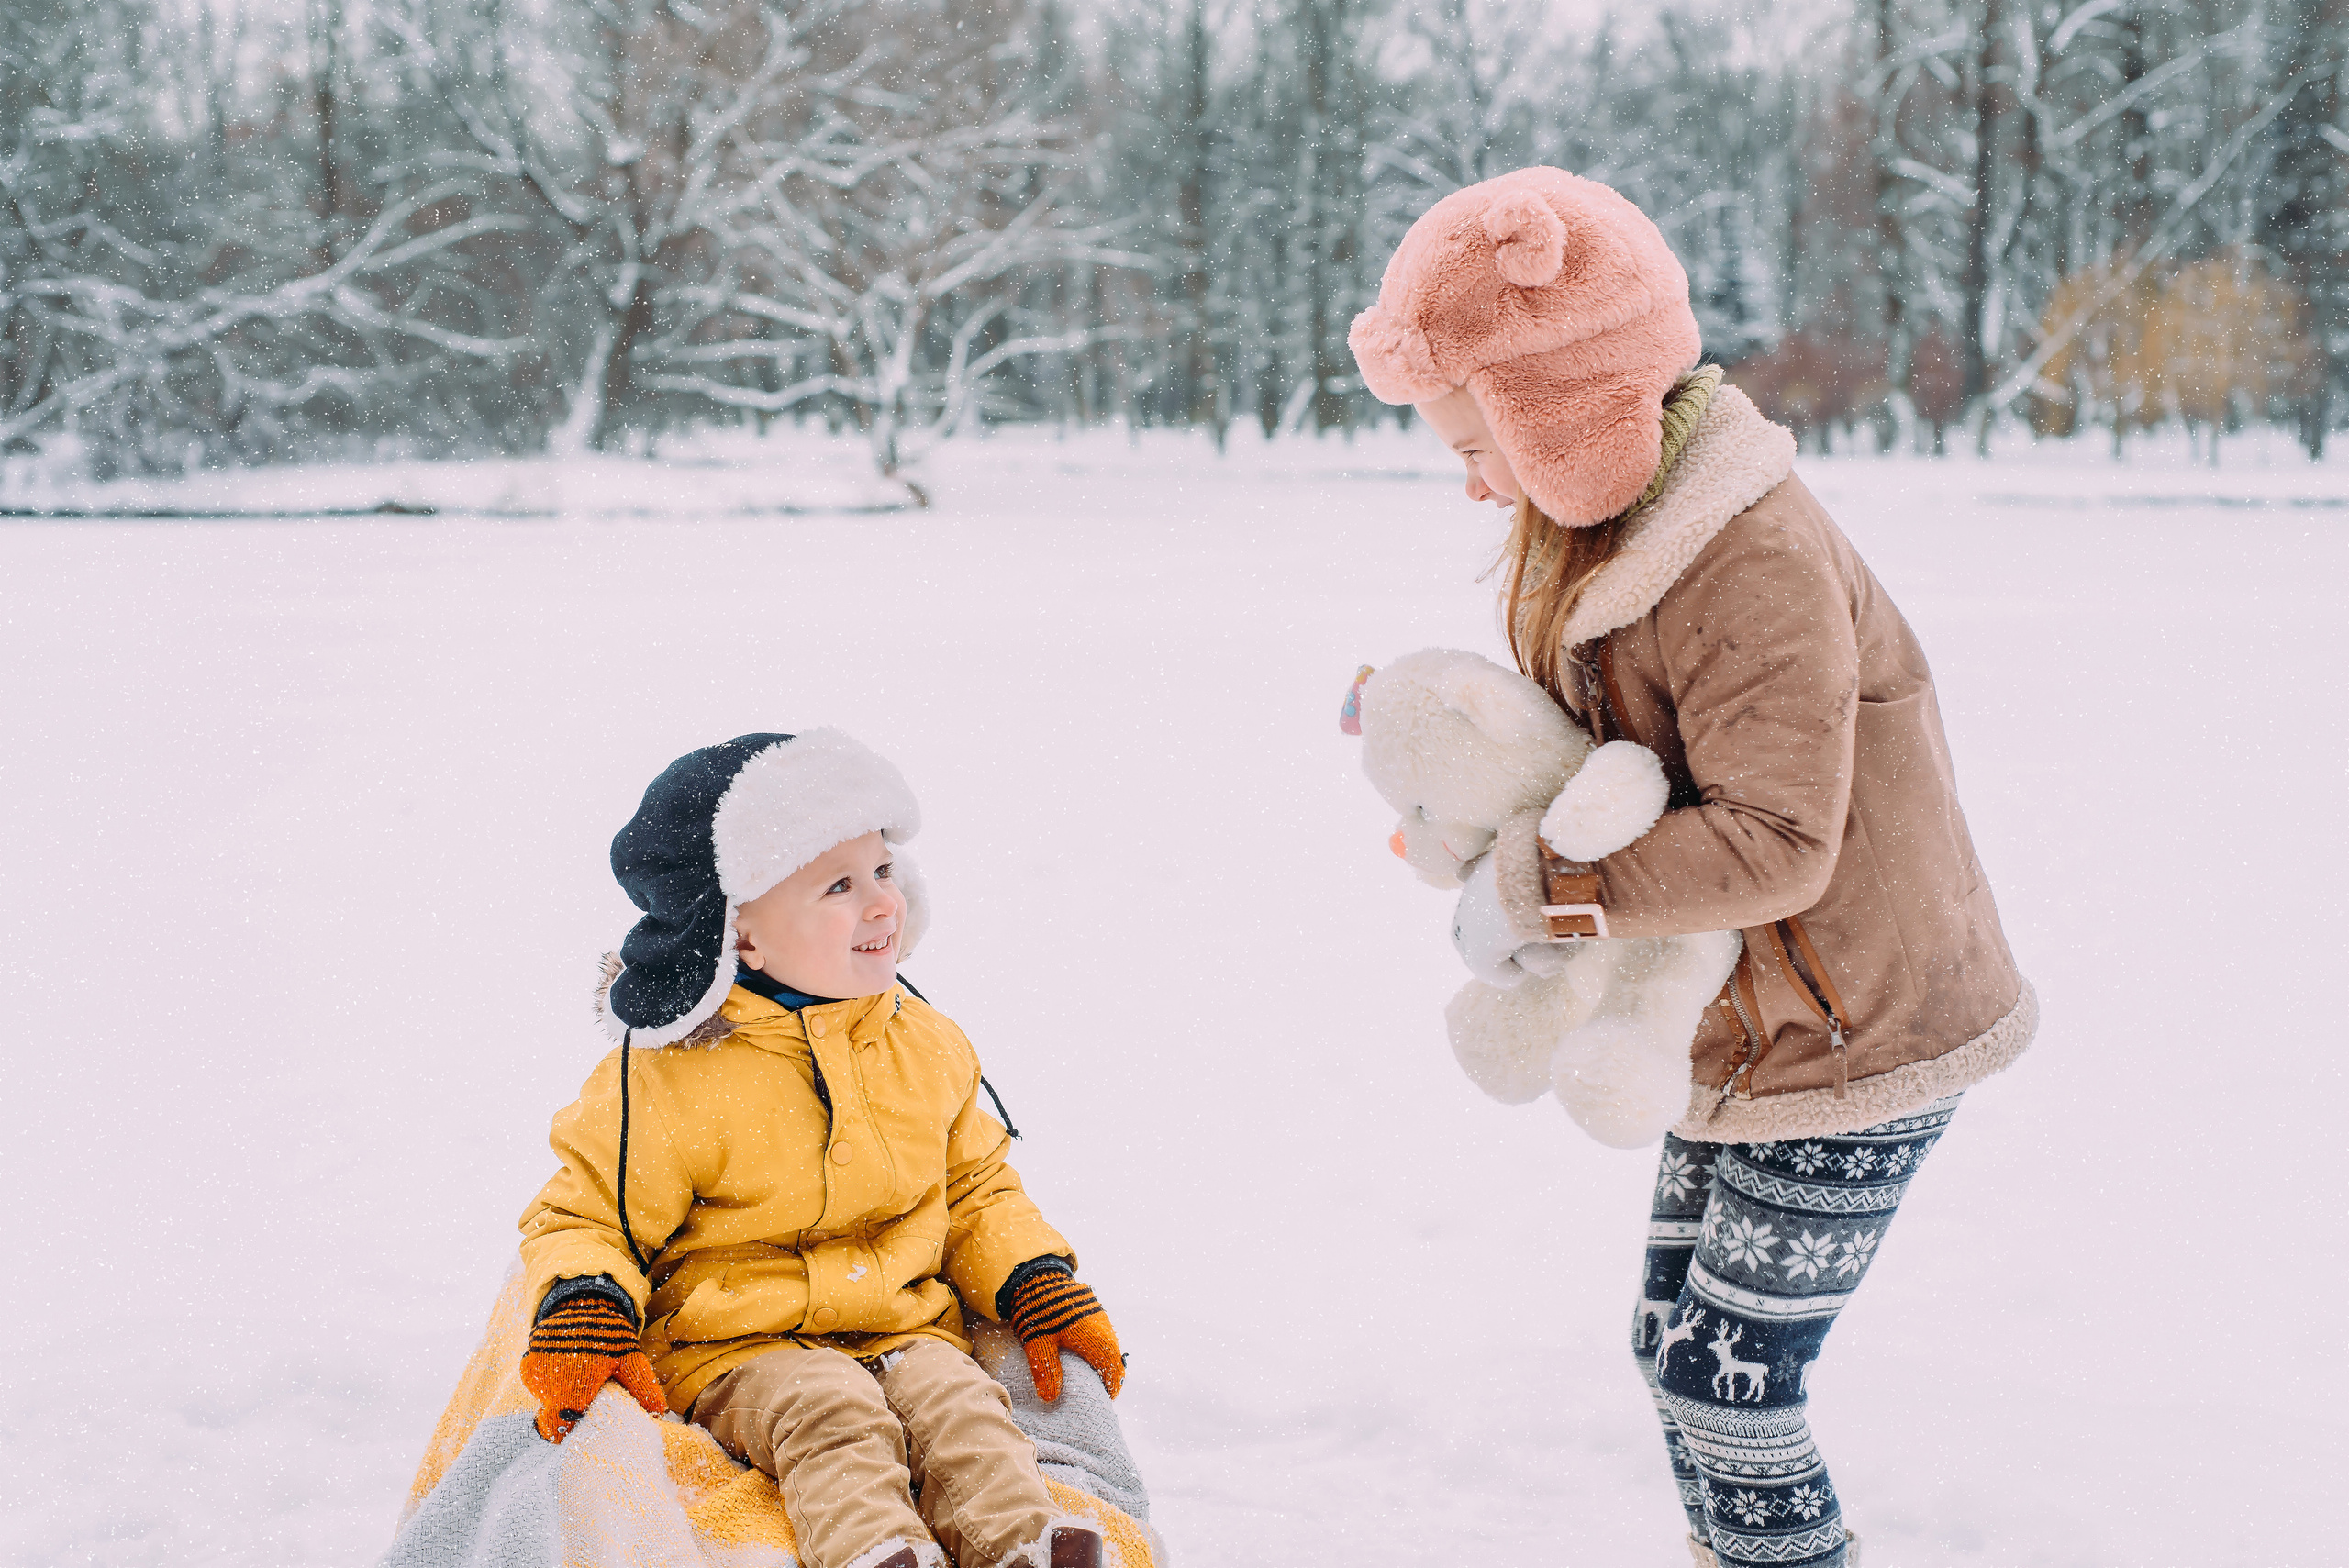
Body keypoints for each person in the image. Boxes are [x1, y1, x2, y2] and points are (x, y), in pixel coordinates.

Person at [1348, 168, 2036, 1568]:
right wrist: (1462, 776)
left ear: (1564, 404)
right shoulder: (1601, 526)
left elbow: (1781, 841)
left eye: (1473, 434)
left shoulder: (1746, 556)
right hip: (1742, 1018)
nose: (1468, 475)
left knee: (1726, 1380)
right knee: (1671, 1345)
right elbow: (1606, 756)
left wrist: (1544, 891)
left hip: (1859, 1027)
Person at [516, 730, 1120, 1568]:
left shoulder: (924, 1042)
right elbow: (587, 1210)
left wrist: (1033, 1276)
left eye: (882, 870)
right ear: (743, 937)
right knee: (832, 1412)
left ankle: (1022, 1547)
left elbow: (977, 1185)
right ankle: (876, 1551)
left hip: (905, 1325)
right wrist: (587, 1299)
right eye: (839, 885)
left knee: (963, 1407)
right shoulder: (668, 1079)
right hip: (737, 1346)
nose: (882, 903)